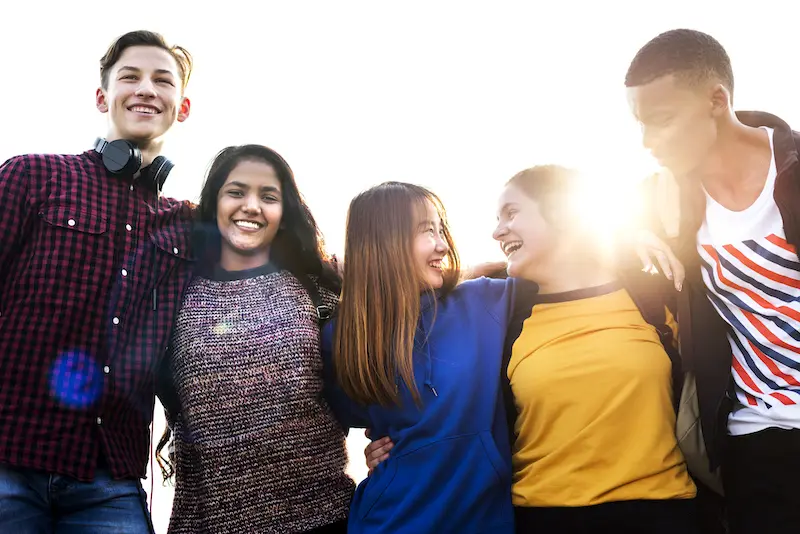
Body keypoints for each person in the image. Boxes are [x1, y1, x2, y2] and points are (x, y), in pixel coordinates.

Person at [366, 166, 700, 534]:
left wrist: (627, 235)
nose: (497, 231)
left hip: (665, 512)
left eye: (511, 213)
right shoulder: (504, 311)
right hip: (546, 517)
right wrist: (397, 450)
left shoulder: (654, 295)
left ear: (563, 212)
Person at [0, 30, 193, 533]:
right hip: (7, 459)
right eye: (130, 77)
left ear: (183, 106)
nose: (146, 89)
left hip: (111, 479)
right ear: (103, 97)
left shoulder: (189, 226)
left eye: (162, 80)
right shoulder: (31, 176)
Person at [626, 28, 800, 533]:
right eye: (639, 125)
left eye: (661, 120)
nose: (648, 142)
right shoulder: (664, 202)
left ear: (716, 100)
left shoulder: (791, 169)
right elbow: (580, 236)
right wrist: (631, 235)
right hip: (756, 445)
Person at [154, 144, 354, 533]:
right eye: (236, 192)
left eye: (268, 196)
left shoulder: (317, 289)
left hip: (326, 519)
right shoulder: (174, 293)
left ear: (284, 211)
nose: (252, 206)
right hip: (208, 523)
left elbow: (371, 373)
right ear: (214, 203)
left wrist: (390, 439)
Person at [322, 181, 519, 534]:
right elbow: (349, 419)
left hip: (483, 522)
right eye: (428, 231)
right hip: (389, 521)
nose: (443, 244)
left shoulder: (485, 302)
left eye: (441, 229)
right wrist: (389, 455)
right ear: (384, 243)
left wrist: (632, 243)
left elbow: (558, 268)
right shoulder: (346, 335)